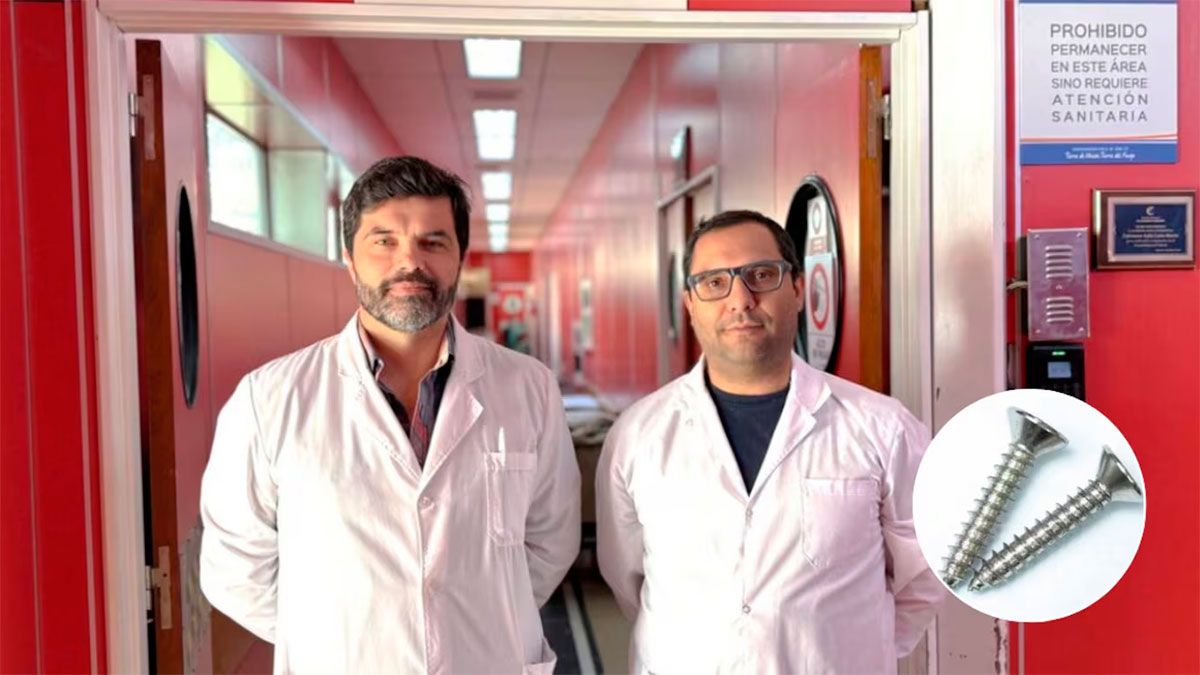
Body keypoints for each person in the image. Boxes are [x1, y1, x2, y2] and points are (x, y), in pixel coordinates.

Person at [200, 156, 580, 674]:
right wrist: (343, 634)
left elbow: (551, 538)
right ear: (350, 259)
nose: (410, 263)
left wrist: (471, 615)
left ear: (460, 257)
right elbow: (235, 569)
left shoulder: (528, 387)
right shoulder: (268, 399)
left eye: (433, 242)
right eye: (384, 241)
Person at [595, 210, 943, 673]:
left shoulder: (883, 428)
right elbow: (627, 577)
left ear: (797, 289)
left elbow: (924, 573)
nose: (740, 299)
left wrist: (847, 650)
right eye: (714, 282)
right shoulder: (638, 436)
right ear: (690, 304)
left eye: (761, 275)